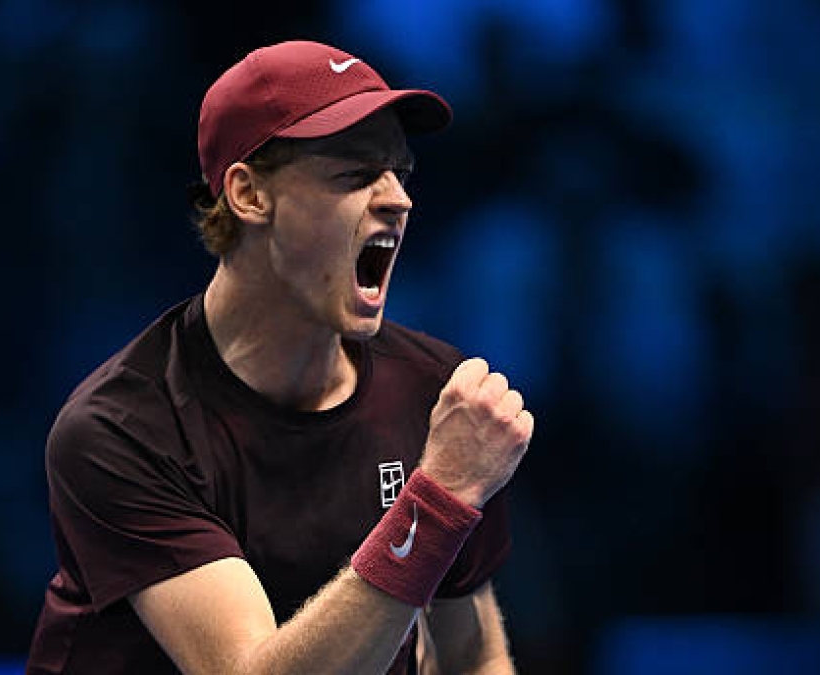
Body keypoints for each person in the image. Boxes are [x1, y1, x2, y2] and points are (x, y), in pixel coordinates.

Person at [26, 40, 534, 674]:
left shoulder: (433, 395)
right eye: (354, 174)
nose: (398, 199)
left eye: (399, 173)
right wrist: (436, 503)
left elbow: (471, 657)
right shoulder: (120, 430)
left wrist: (441, 498)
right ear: (248, 194)